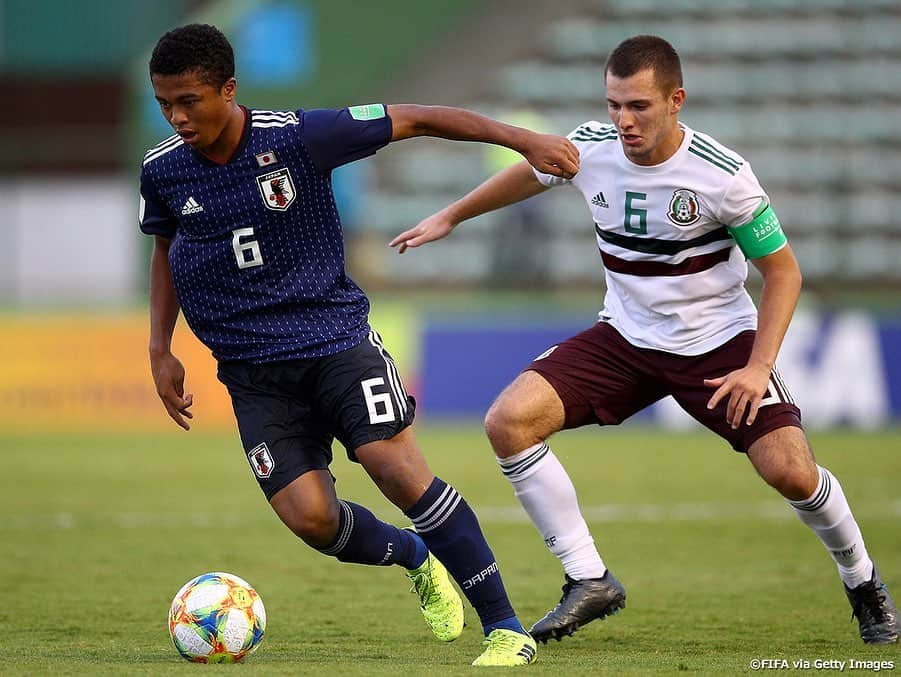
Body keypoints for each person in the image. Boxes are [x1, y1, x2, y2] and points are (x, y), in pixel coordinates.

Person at [390, 35, 899, 646]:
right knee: (509, 422)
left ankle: (862, 581)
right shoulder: (591, 147)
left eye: (638, 106)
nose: (623, 121)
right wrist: (451, 215)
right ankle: (590, 579)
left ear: (675, 100)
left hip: (718, 344)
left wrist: (760, 366)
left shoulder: (723, 175)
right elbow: (533, 174)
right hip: (626, 338)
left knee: (791, 472)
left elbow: (784, 272)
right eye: (613, 105)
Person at [140, 23, 579, 667]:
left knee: (394, 468)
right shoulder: (163, 170)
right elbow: (165, 247)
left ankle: (505, 628)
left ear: (228, 90)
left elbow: (419, 117)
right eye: (164, 105)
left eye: (189, 101)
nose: (177, 118)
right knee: (310, 519)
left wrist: (524, 140)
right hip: (251, 373)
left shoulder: (299, 137)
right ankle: (412, 556)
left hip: (333, 342)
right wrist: (160, 346)